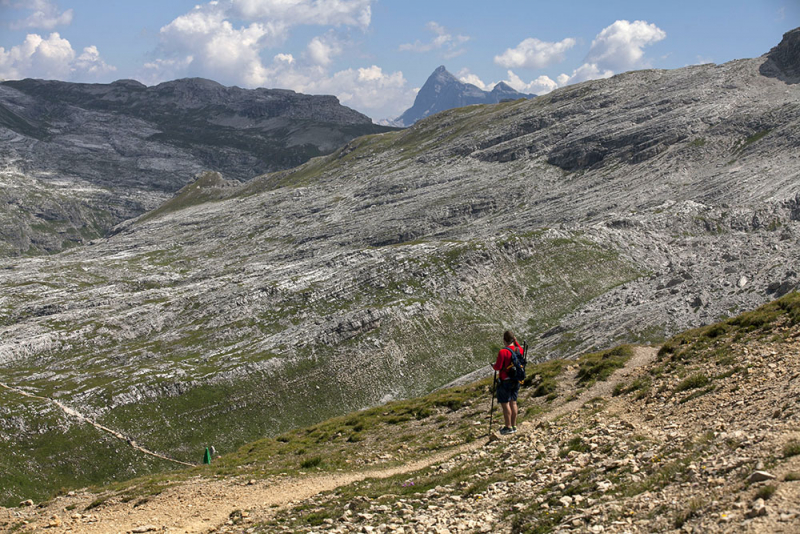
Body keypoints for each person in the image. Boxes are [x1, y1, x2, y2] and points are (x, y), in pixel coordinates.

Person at [492, 330, 522, 435]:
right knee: (513, 402)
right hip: (516, 380)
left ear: (504, 340)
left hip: (505, 381)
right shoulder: (519, 350)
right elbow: (519, 348)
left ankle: (507, 427)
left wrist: (493, 366)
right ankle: (514, 426)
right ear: (513, 339)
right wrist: (516, 342)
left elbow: (498, 367)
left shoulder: (503, 352)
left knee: (505, 405)